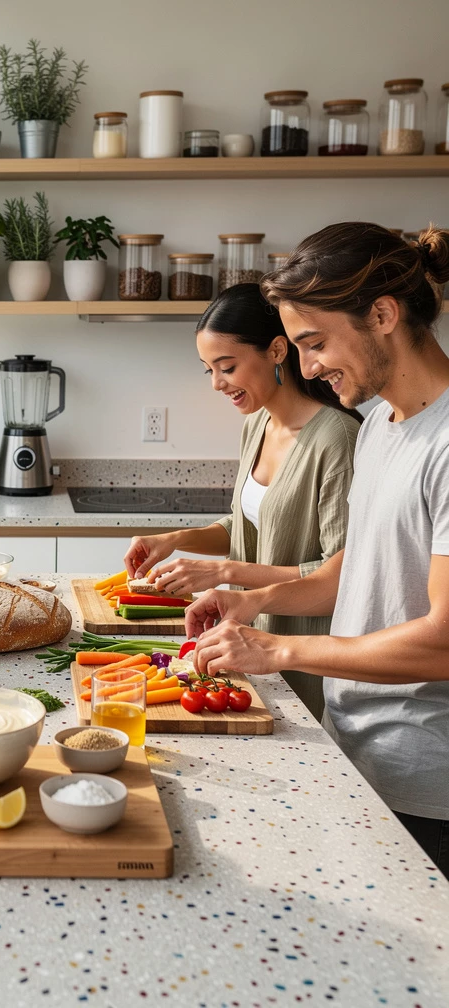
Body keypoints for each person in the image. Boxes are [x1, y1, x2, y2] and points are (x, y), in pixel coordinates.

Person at [186, 222, 449, 875]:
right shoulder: (385, 426)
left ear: (383, 315)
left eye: (315, 342)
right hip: (355, 748)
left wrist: (278, 648)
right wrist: (253, 601)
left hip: (426, 782)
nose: (306, 368)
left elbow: (443, 640)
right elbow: (351, 573)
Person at [124, 284, 362, 719]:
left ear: (276, 350)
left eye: (227, 366)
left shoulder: (337, 439)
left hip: (302, 661)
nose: (217, 383)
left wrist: (225, 571)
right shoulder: (258, 425)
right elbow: (247, 526)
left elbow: (340, 575)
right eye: (208, 370)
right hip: (247, 647)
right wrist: (174, 539)